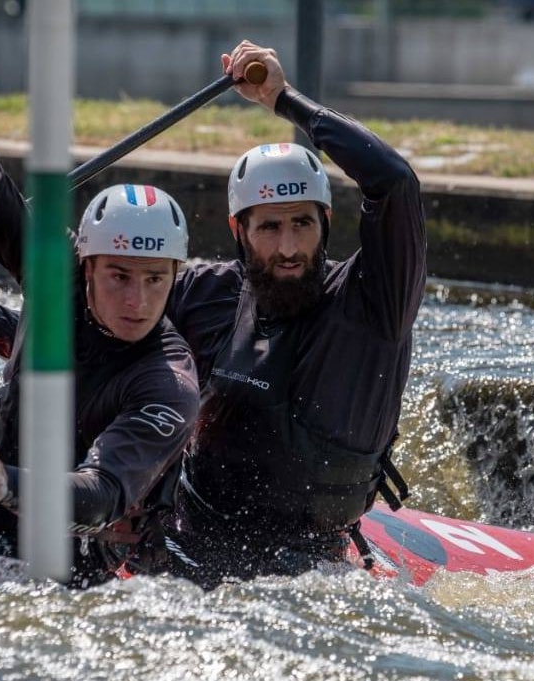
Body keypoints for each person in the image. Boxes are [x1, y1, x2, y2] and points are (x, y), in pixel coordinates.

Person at [0, 28, 199, 588]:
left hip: (75, 564)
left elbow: (104, 493)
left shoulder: (168, 384)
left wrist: (8, 482)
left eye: (155, 279)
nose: (137, 301)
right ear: (84, 268)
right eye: (118, 276)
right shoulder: (56, 274)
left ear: (175, 275)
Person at [159, 41, 427, 586]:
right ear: (239, 231)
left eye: (302, 224)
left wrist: (285, 100)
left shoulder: (375, 305)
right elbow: (96, 323)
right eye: (269, 227)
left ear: (326, 223)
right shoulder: (206, 294)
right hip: (186, 539)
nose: (288, 247)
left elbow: (394, 182)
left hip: (311, 568)